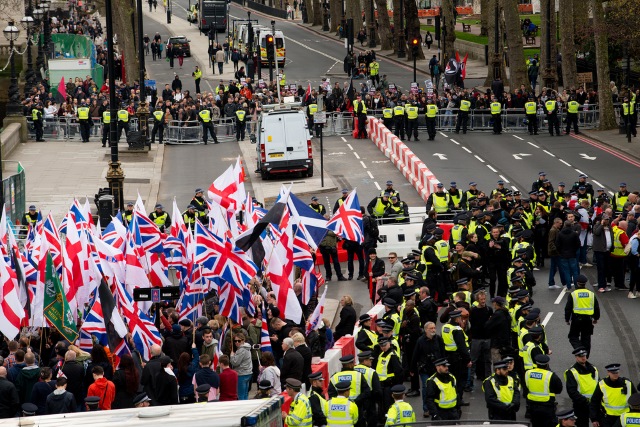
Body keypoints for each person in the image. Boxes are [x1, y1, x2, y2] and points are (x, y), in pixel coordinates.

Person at [565, 274, 600, 356]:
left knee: (573, 337)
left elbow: (568, 308)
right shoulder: (591, 294)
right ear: (585, 283)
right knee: (586, 338)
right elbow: (596, 307)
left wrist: (567, 319)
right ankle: (585, 356)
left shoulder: (573, 294)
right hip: (588, 320)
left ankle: (580, 350)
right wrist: (596, 318)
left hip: (576, 319)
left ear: (577, 283)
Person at [524, 354, 563, 427]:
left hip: (533, 406)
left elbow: (526, 386)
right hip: (547, 407)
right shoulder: (550, 375)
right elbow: (559, 389)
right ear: (547, 364)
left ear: (536, 364)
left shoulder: (528, 373)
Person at [564, 347, 598, 427]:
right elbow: (572, 392)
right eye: (580, 356)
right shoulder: (571, 372)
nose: (583, 358)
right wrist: (585, 401)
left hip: (594, 404)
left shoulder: (593, 369)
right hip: (580, 405)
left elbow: (598, 385)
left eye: (584, 356)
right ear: (576, 357)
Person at [230, 332, 253, 400]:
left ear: (243, 340)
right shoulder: (247, 348)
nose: (237, 342)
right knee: (245, 394)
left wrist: (232, 356)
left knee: (241, 395)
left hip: (241, 374)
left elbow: (235, 362)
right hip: (248, 373)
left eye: (239, 341)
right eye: (235, 341)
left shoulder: (242, 349)